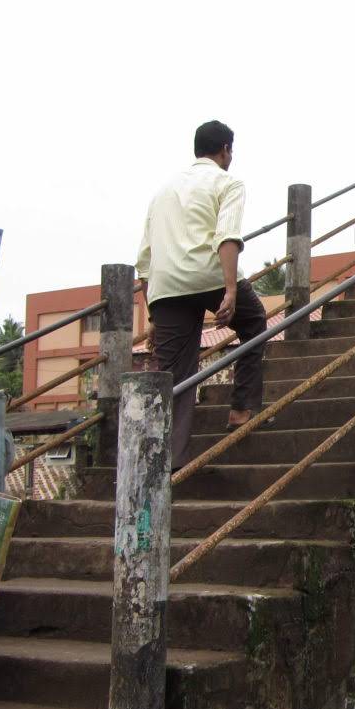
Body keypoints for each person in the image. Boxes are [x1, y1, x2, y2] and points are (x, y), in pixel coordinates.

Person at [136, 120, 267, 468]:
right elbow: (227, 236)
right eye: (230, 151)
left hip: (165, 289)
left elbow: (145, 260)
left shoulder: (162, 192)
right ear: (225, 150)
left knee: (175, 376)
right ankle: (241, 409)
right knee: (254, 324)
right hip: (208, 275)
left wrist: (152, 315)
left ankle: (171, 461)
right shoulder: (228, 182)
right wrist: (229, 289)